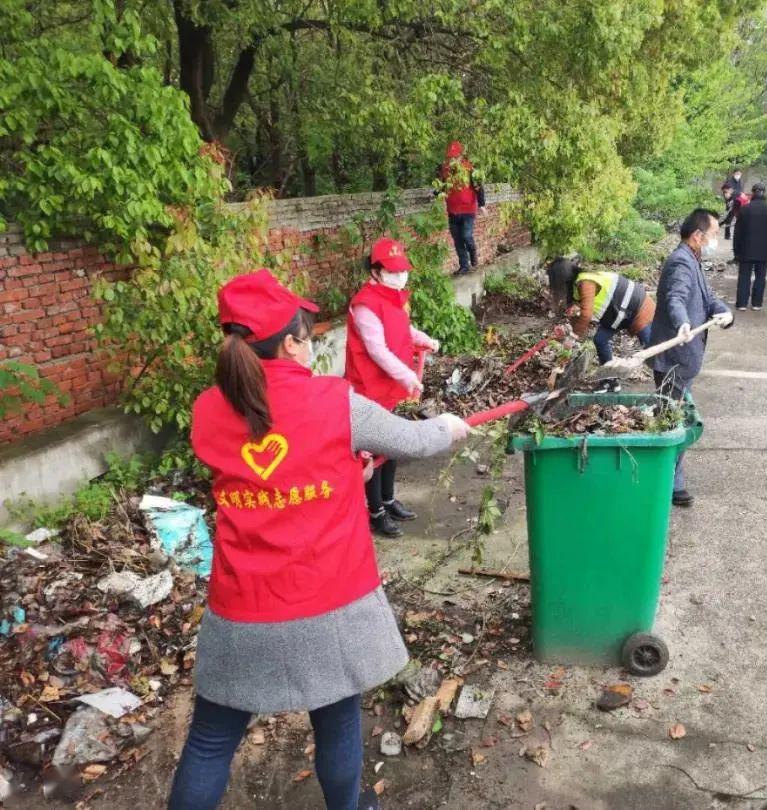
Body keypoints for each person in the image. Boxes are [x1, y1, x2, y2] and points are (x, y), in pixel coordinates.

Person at [171, 269, 469, 810]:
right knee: (337, 723)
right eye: (308, 338)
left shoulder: (205, 411)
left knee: (211, 741)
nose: (311, 349)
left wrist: (339, 473)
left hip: (241, 610)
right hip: (327, 603)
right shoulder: (336, 402)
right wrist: (450, 426)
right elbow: (418, 440)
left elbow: (266, 474)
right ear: (290, 343)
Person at [345, 238, 441, 538]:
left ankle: (388, 499)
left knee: (393, 443)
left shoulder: (394, 296)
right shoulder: (365, 305)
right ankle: (375, 512)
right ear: (375, 271)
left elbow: (403, 329)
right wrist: (407, 376)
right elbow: (377, 350)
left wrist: (422, 338)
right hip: (370, 386)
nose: (400, 276)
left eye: (402, 270)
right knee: (374, 451)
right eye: (392, 271)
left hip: (390, 386)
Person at [649, 209, 734, 507]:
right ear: (697, 236)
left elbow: (707, 296)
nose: (715, 241)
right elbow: (675, 297)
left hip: (684, 359)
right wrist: (682, 322)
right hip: (673, 356)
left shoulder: (693, 259)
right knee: (672, 418)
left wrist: (723, 310)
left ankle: (670, 479)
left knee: (677, 415)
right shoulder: (680, 263)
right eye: (712, 235)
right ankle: (667, 483)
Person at [545, 256, 655, 364]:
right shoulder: (575, 287)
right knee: (600, 340)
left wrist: (573, 337)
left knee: (652, 350)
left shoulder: (585, 282)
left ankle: (667, 377)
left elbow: (586, 314)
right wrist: (571, 330)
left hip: (639, 308)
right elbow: (579, 314)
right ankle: (609, 379)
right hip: (617, 314)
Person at [438, 141, 485, 276]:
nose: (452, 159)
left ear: (461, 156)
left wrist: (481, 204)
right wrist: (438, 193)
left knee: (466, 235)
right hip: (452, 210)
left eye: (455, 157)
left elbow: (478, 187)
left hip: (467, 210)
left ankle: (473, 251)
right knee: (458, 239)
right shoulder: (445, 170)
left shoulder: (470, 169)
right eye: (450, 157)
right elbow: (442, 186)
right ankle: (464, 266)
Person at [732, 182, 767, 311]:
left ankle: (741, 304)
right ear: (764, 193)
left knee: (744, 277)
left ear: (753, 193)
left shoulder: (745, 209)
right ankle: (757, 303)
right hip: (763, 251)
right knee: (760, 277)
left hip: (746, 249)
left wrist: (736, 251)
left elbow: (738, 232)